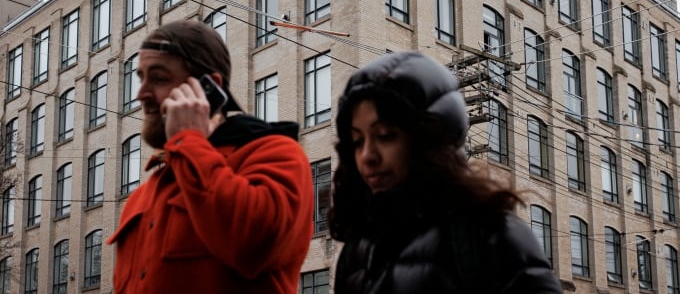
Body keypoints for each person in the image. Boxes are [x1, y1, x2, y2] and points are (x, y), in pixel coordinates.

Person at [107, 19, 314, 293]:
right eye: (141, 78)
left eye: (158, 78)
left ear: (208, 87)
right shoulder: (140, 198)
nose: (141, 94)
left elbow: (253, 246)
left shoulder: (277, 155)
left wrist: (188, 140)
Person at [329, 51, 562, 293]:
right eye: (357, 141)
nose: (367, 155)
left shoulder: (488, 236)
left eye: (385, 136)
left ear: (426, 140)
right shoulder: (358, 248)